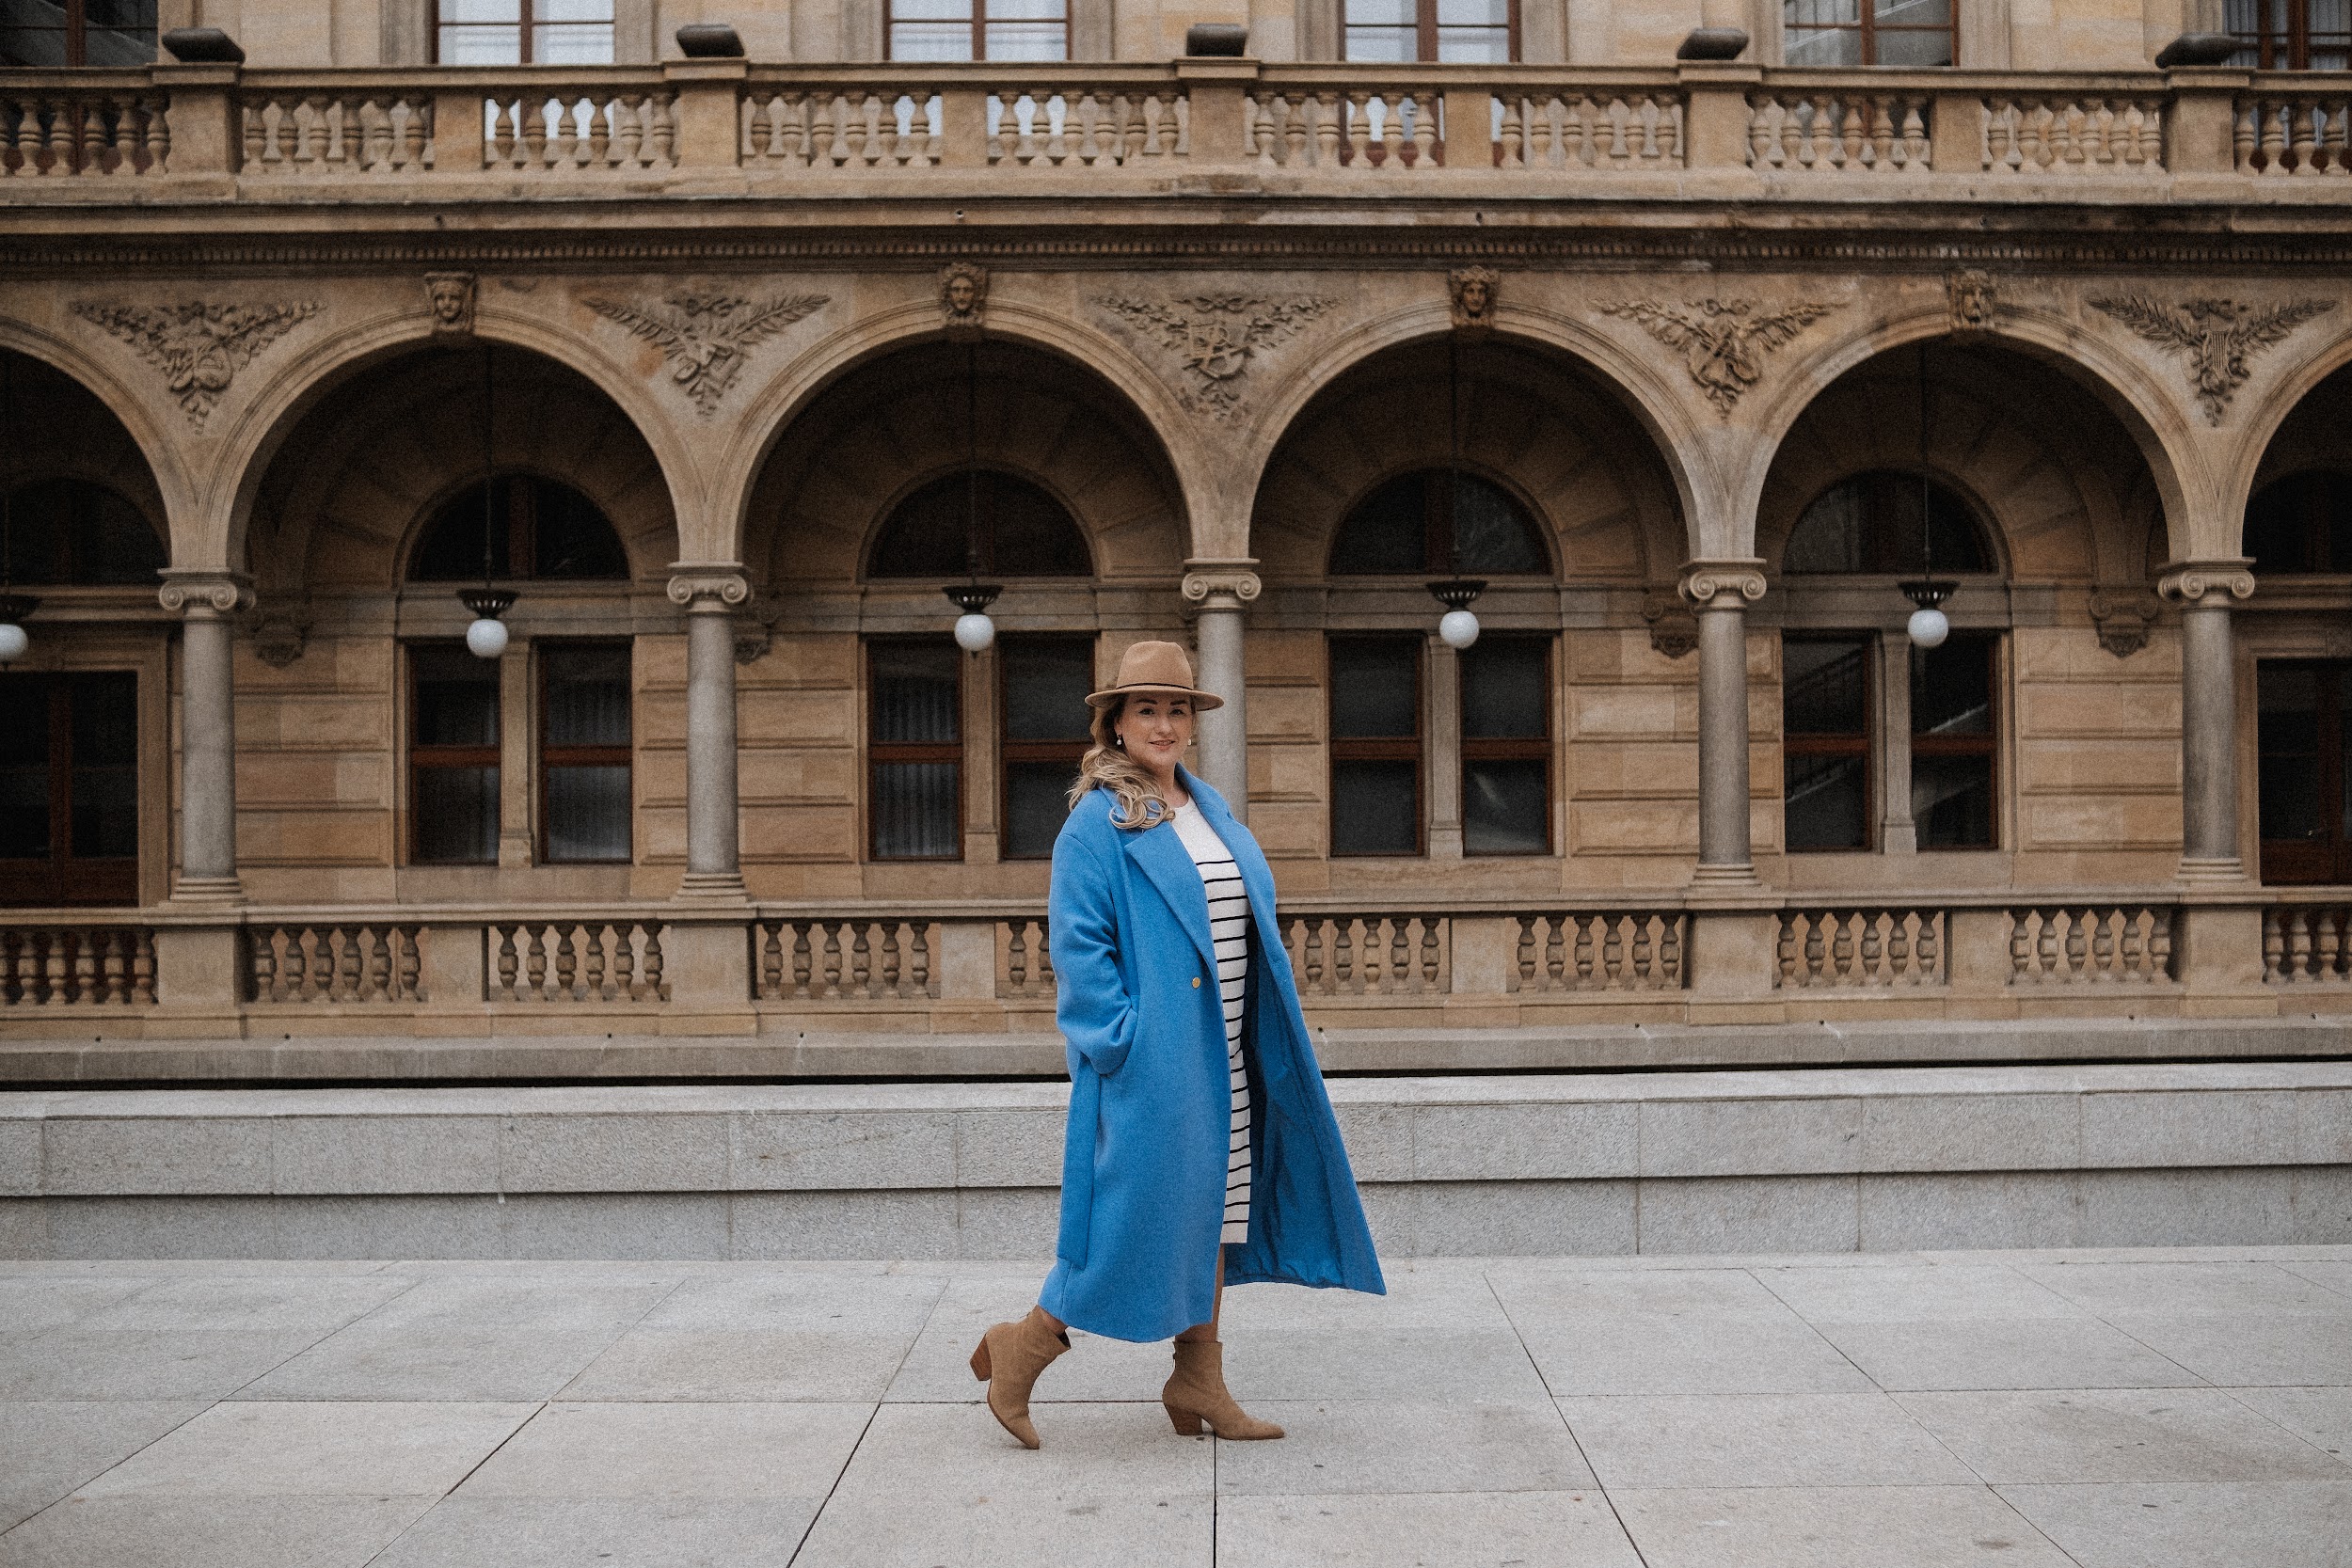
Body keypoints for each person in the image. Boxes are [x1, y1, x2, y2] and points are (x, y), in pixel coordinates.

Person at [969, 640, 1385, 1447]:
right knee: (1124, 1223)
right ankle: (1022, 1347)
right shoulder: (1096, 824)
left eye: (1177, 709)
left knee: (1216, 1213)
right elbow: (1079, 950)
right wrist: (1124, 1044)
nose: (1164, 724)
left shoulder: (1209, 808)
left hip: (1228, 1054)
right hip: (1155, 1065)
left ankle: (1199, 1375)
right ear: (1117, 724)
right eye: (1147, 709)